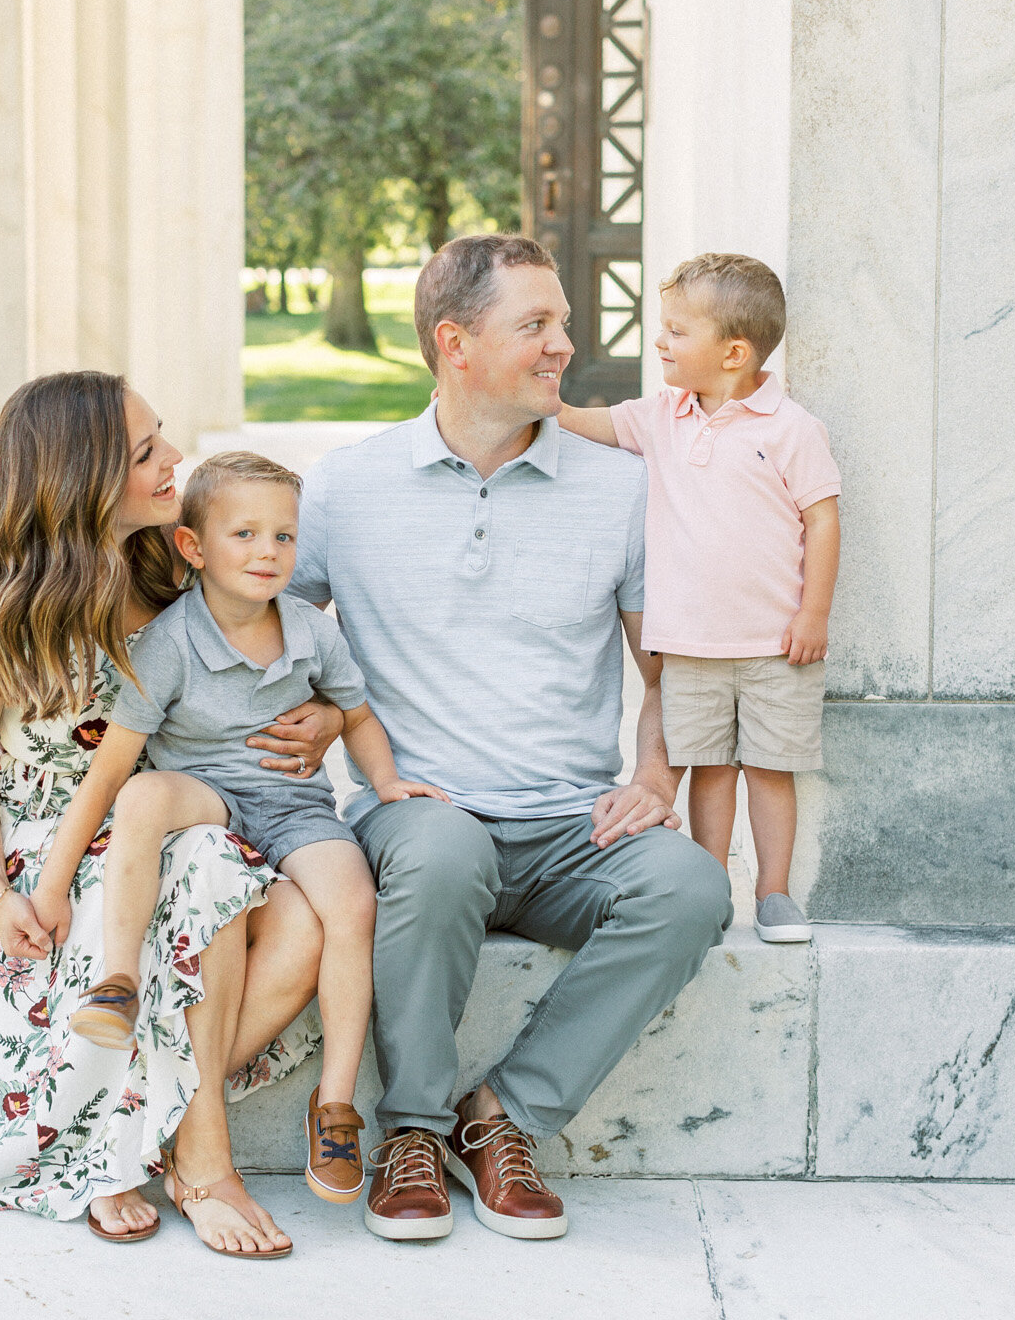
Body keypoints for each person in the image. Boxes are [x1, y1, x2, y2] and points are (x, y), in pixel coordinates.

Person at [0, 372, 343, 1259]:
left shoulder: (181, 567)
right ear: (83, 476)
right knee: (206, 867)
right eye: (146, 451)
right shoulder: (5, 615)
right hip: (57, 842)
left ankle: (121, 1139)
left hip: (187, 808)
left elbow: (290, 649)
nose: (175, 458)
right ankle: (202, 1156)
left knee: (301, 917)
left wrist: (328, 718)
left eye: (161, 437)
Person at [292, 234, 734, 1243]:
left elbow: (662, 662)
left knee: (690, 886)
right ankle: (408, 1131)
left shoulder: (617, 488)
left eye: (562, 324)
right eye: (535, 325)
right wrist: (320, 714)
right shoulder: (347, 486)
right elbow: (263, 626)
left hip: (570, 822)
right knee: (441, 850)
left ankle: (501, 1118)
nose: (562, 348)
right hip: (424, 812)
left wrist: (654, 772)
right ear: (454, 342)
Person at [68, 450, 449, 1210]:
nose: (268, 552)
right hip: (206, 793)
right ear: (194, 548)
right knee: (143, 800)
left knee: (352, 902)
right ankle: (116, 982)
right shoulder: (170, 644)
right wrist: (57, 867)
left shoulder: (313, 632)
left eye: (283, 537)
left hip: (294, 806)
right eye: (244, 534)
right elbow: (114, 766)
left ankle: (335, 1102)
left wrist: (385, 781)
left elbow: (360, 714)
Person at [559, 253, 840, 943]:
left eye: (678, 332)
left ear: (733, 352)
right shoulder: (662, 417)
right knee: (709, 771)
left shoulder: (790, 428)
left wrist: (814, 614)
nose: (661, 342)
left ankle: (773, 891)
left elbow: (823, 518)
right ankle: (711, 885)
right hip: (688, 644)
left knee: (772, 772)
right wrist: (544, 404)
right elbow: (590, 424)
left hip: (777, 644)